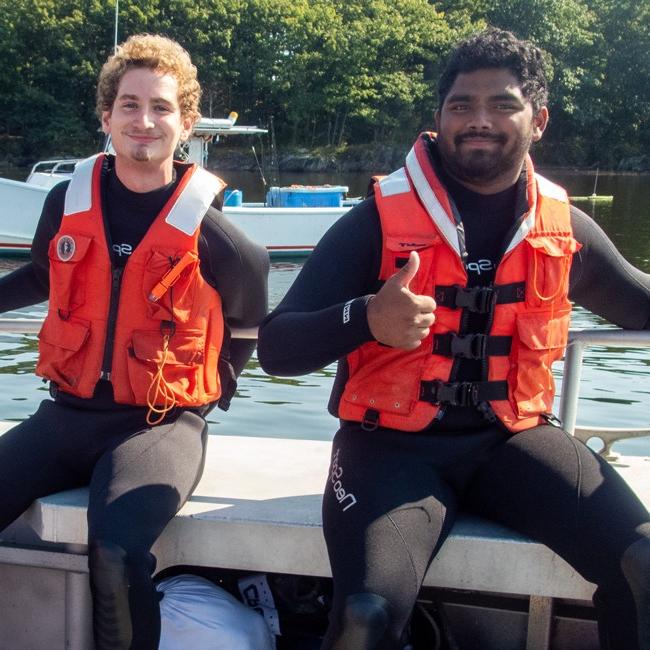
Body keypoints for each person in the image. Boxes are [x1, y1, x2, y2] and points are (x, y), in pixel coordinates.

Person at [257, 28, 650, 649]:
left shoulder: (566, 228)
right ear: (439, 118)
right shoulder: (375, 221)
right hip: (388, 453)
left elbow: (637, 300)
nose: (480, 121)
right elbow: (276, 349)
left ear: (539, 119)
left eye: (503, 104)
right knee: (365, 615)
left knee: (644, 566)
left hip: (514, 443)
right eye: (462, 105)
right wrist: (365, 318)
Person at [0, 34, 268, 649]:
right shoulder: (68, 201)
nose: (144, 121)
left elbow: (250, 311)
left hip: (160, 426)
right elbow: (44, 274)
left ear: (187, 123)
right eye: (129, 104)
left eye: (162, 107)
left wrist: (218, 385)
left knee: (116, 553)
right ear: (106, 116)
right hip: (68, 414)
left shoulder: (208, 225)